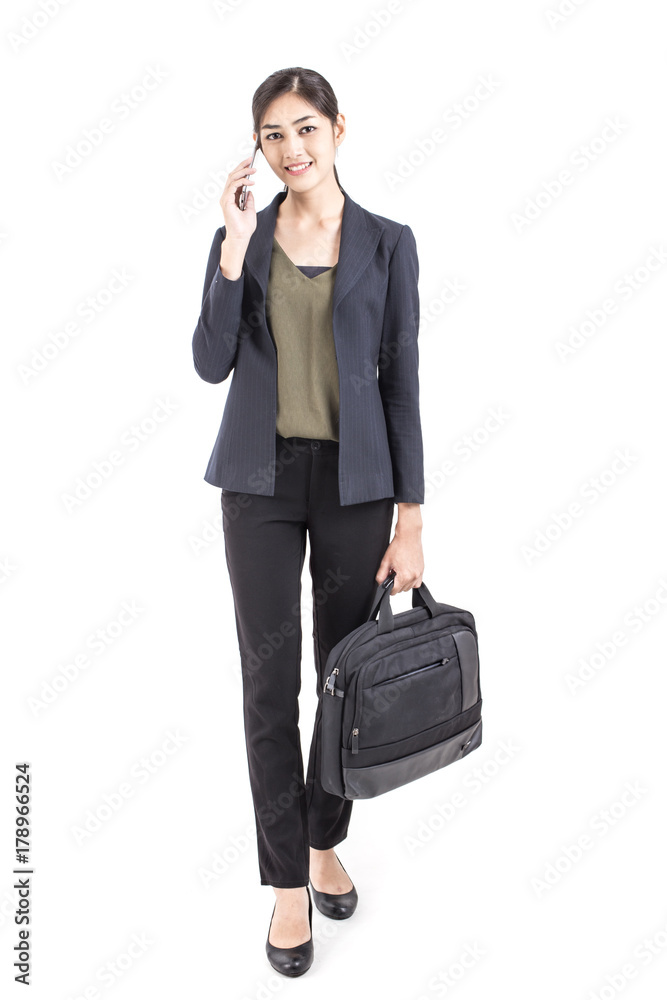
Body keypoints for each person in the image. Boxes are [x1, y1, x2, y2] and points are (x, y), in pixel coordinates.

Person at [192, 66, 425, 977]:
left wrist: (411, 517)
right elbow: (211, 362)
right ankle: (288, 883)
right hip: (258, 482)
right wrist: (230, 246)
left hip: (358, 488)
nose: (290, 149)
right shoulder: (241, 240)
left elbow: (402, 384)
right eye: (273, 135)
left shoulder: (388, 243)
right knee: (266, 681)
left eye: (305, 129)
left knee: (342, 681)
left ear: (337, 129)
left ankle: (325, 837)